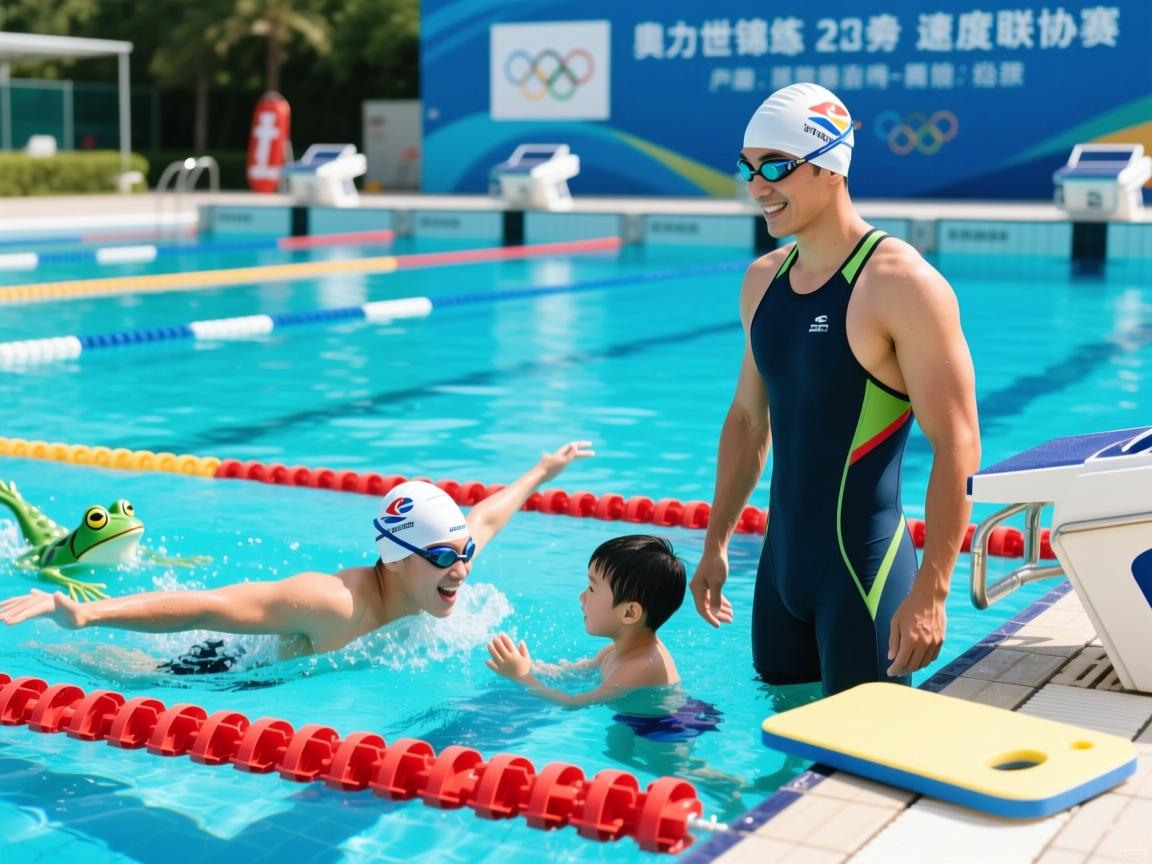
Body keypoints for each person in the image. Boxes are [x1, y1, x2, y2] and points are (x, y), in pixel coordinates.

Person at [688, 82, 981, 695]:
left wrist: (932, 591)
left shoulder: (900, 284)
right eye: (747, 167)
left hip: (862, 576)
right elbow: (747, 421)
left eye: (776, 166)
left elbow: (957, 445)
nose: (757, 186)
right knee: (779, 743)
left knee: (864, 752)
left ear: (831, 167)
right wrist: (715, 542)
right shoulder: (763, 281)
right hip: (779, 575)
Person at [0, 441, 595, 669]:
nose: (462, 569)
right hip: (212, 672)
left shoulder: (437, 569)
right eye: (445, 556)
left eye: (463, 553)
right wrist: (88, 614)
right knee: (115, 669)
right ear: (396, 558)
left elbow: (485, 517)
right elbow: (206, 605)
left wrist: (542, 472)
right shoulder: (332, 603)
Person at [486, 534, 685, 706]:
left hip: (657, 730)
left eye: (592, 588)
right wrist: (529, 667)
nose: (582, 596)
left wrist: (522, 677)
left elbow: (573, 703)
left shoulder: (642, 666)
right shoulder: (612, 651)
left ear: (629, 613)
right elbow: (576, 672)